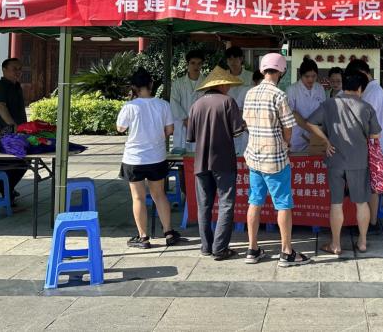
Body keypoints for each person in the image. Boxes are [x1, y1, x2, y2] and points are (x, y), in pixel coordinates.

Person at [243, 53, 310, 267]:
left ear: (263, 70)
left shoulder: (250, 93)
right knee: (283, 204)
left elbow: (246, 122)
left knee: (255, 201)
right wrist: (286, 143)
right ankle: (286, 252)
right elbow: (288, 127)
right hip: (275, 159)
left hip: (254, 157)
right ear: (281, 71)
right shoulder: (279, 95)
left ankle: (252, 249)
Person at [306, 72, 381, 254]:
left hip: (336, 159)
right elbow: (375, 134)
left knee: (336, 203)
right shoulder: (366, 107)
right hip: (359, 161)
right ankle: (362, 242)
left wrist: (326, 141)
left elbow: (310, 123)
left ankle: (336, 245)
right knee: (361, 202)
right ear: (360, 88)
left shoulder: (330, 104)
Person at [117, 68, 183, 249]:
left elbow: (120, 128)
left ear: (134, 87)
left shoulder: (130, 106)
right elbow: (170, 130)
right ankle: (169, 232)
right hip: (157, 156)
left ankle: (143, 237)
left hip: (134, 158)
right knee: (159, 195)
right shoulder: (163, 105)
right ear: (151, 84)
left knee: (138, 198)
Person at [187, 66, 245, 260]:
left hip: (200, 162)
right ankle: (220, 248)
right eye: (227, 84)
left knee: (204, 205)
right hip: (223, 161)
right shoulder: (228, 102)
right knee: (226, 204)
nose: (229, 87)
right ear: (221, 84)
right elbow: (237, 131)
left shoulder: (196, 105)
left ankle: (206, 246)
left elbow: (191, 136)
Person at [345, 59, 383, 234]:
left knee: (372, 187)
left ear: (362, 73)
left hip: (374, 147)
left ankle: (371, 223)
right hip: (371, 146)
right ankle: (368, 222)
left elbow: (365, 120)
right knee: (370, 186)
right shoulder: (371, 90)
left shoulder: (373, 92)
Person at [0, 58, 28, 205]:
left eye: (20, 69)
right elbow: (1, 107)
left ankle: (6, 188)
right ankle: (6, 191)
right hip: (2, 130)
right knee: (12, 163)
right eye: (14, 69)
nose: (18, 72)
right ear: (4, 70)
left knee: (22, 161)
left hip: (16, 131)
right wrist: (13, 125)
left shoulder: (16, 86)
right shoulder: (0, 87)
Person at [286, 58, 327, 151]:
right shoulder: (292, 90)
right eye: (307, 76)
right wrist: (312, 129)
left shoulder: (320, 88)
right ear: (301, 75)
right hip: (297, 137)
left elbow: (323, 110)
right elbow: (292, 113)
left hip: (316, 138)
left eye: (314, 76)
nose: (310, 79)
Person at [170, 50, 206, 153]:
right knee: (182, 156)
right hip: (182, 124)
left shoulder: (207, 83)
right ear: (187, 64)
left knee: (200, 154)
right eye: (193, 63)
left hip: (200, 123)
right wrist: (185, 119)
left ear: (202, 65)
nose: (196, 66)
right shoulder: (178, 83)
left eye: (199, 63)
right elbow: (174, 102)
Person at [225, 46, 253, 155]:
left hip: (246, 119)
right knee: (228, 150)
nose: (233, 62)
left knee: (246, 150)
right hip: (227, 117)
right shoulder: (222, 77)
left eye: (235, 58)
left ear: (241, 59)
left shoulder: (250, 76)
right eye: (230, 59)